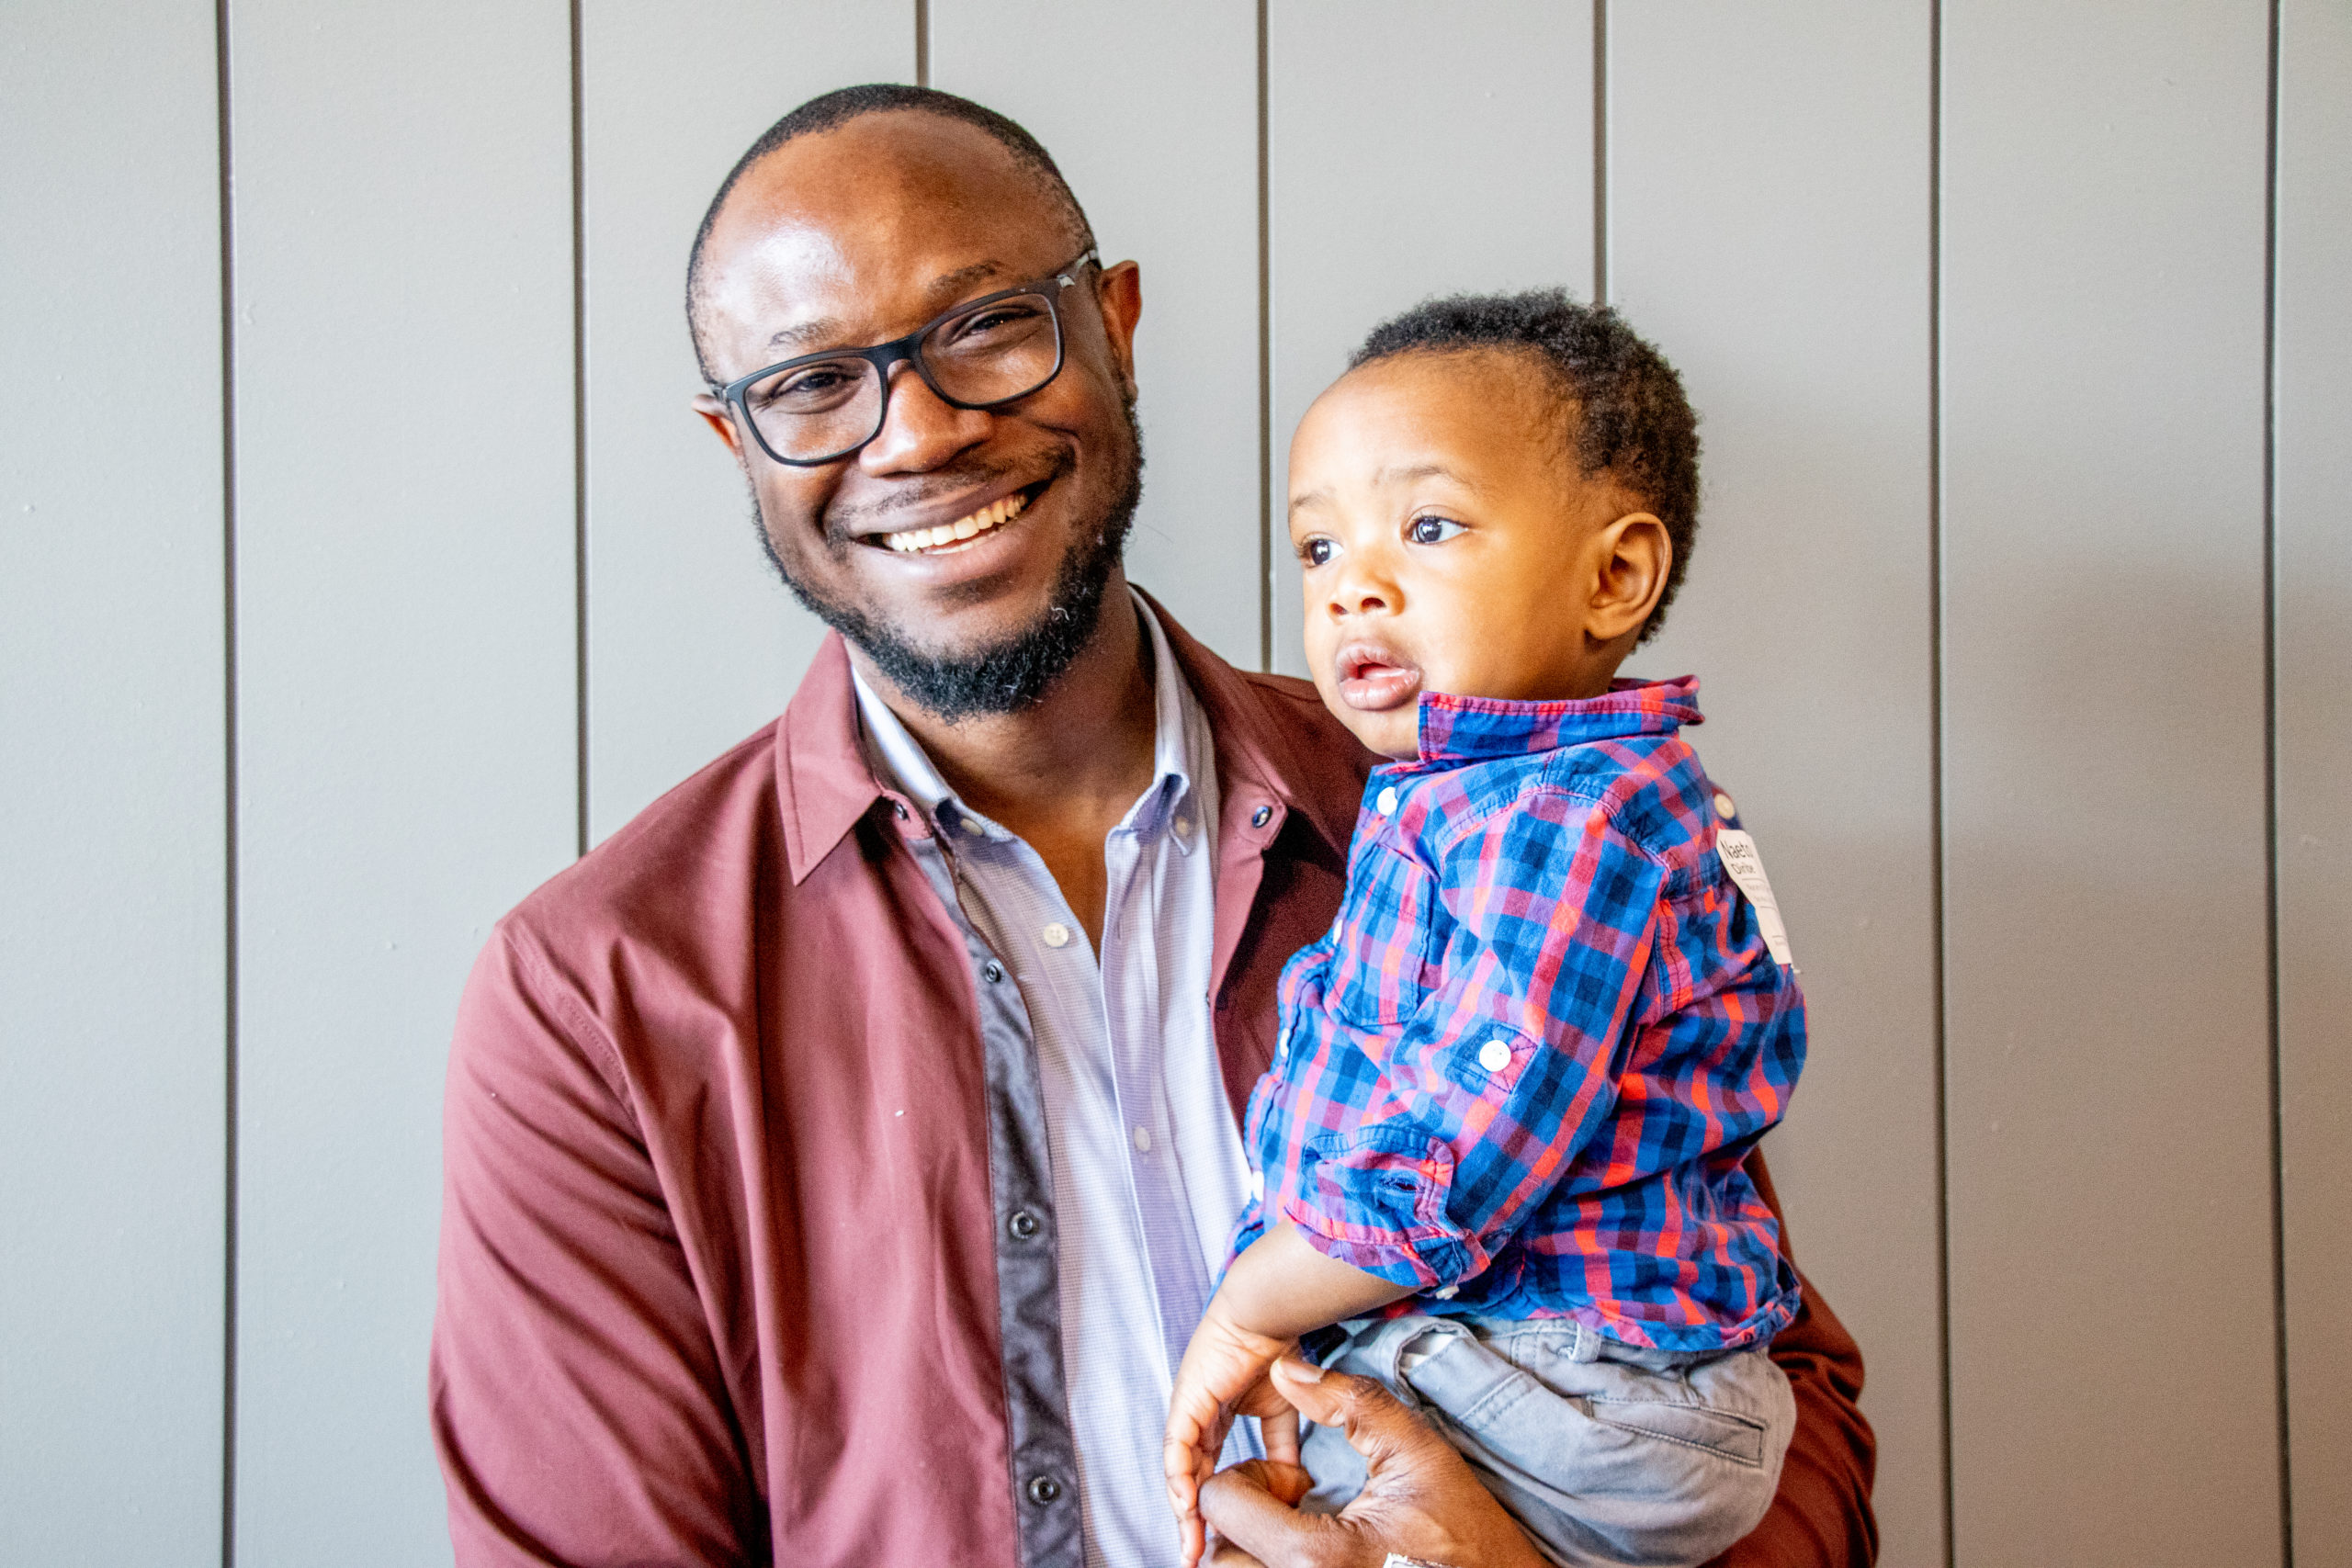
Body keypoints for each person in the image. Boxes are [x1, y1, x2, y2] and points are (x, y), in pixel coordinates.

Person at [427, 83, 1876, 1568]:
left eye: (985, 323)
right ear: (737, 443)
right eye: (809, 386)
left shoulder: (1480, 820)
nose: (918, 434)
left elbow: (1773, 1390)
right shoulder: (592, 1000)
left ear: (1112, 325)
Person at [1164, 293, 1804, 1568]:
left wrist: (1247, 1308)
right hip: (1580, 1374)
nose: (1355, 590)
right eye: (1318, 552)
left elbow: (1467, 1150)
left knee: (1291, 1447)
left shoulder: (1558, 824)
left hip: (1594, 1387)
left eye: (1429, 527)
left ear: (1613, 575)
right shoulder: (1485, 800)